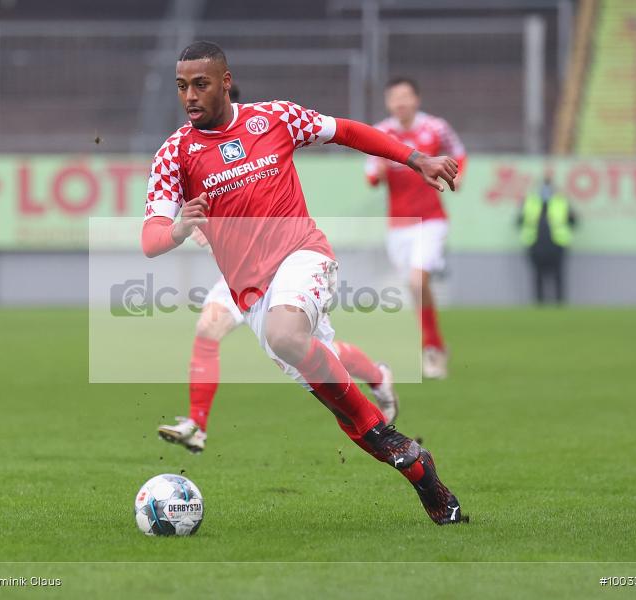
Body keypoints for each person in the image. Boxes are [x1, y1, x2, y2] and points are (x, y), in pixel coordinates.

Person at [141, 41, 466, 524]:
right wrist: (179, 228)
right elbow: (150, 238)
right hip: (251, 296)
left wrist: (415, 158)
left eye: (201, 84)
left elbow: (349, 131)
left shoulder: (275, 118)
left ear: (225, 81)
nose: (190, 95)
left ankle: (392, 431)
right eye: (182, 86)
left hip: (304, 257)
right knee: (348, 413)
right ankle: (422, 474)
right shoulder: (175, 153)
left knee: (286, 335)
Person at [157, 85, 398, 454]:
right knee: (208, 328)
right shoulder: (187, 153)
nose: (194, 103)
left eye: (204, 92)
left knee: (314, 349)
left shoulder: (264, 130)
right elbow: (179, 219)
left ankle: (378, 377)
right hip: (239, 276)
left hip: (287, 263)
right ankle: (197, 425)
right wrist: (190, 227)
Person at [365, 78, 467, 380]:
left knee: (417, 279)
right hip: (398, 226)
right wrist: (380, 170)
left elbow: (458, 151)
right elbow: (371, 176)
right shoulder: (381, 133)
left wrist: (457, 176)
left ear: (416, 99)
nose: (400, 102)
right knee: (415, 287)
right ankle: (435, 343)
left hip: (431, 219)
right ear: (388, 102)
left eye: (406, 96)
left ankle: (431, 348)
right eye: (394, 97)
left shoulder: (435, 128)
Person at [517, 175, 577, 304]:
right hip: (535, 243)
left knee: (558, 275)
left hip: (557, 243)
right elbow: (519, 221)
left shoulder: (561, 201)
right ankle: (539, 303)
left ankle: (560, 302)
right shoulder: (530, 201)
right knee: (538, 275)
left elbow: (573, 221)